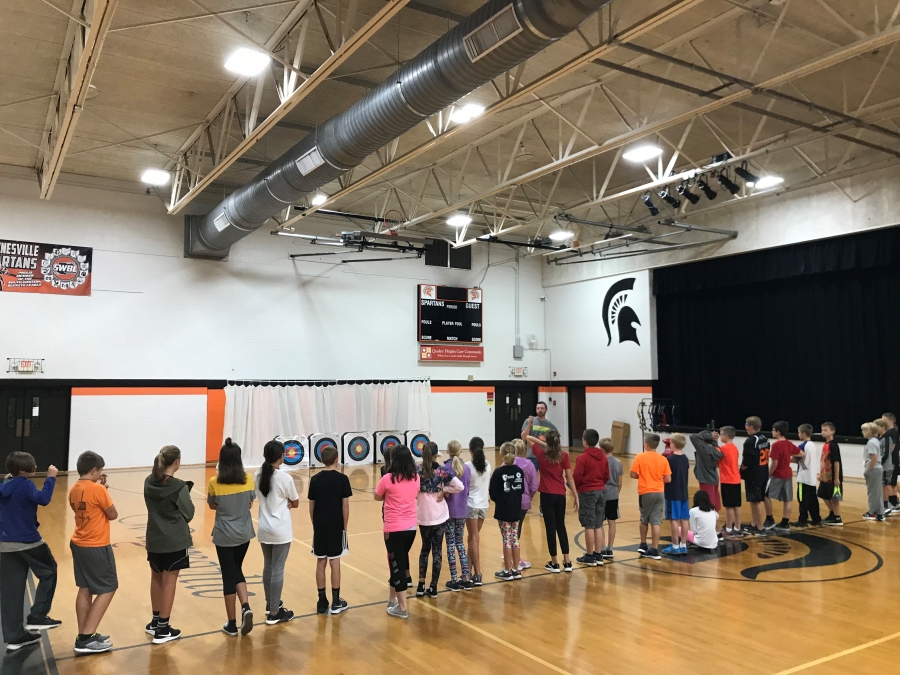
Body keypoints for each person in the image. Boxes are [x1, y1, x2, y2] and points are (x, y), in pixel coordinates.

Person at [0, 453, 60, 652]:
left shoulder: (4, 484)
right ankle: (38, 616)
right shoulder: (25, 484)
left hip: (4, 543)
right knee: (49, 570)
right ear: (27, 469)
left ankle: (14, 636)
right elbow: (43, 499)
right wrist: (51, 477)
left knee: (12, 590)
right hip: (27, 540)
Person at [68, 451, 118, 654]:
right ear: (94, 470)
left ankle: (84, 634)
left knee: (85, 588)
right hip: (96, 545)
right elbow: (112, 514)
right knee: (108, 587)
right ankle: (87, 637)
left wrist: (100, 488)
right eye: (100, 471)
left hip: (78, 542)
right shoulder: (98, 490)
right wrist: (103, 490)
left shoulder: (74, 488)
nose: (101, 474)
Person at [144, 445, 194, 644]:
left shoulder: (148, 482)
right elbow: (189, 513)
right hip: (174, 540)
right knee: (169, 581)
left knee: (156, 578)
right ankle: (163, 628)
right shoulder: (179, 486)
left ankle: (155, 621)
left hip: (154, 539)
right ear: (176, 462)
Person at [208, 438, 256, 636]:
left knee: (228, 575)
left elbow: (212, 505)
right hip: (244, 533)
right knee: (237, 569)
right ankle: (245, 606)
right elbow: (250, 502)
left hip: (224, 535)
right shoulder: (249, 479)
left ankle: (231, 623)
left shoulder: (214, 482)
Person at [256, 439, 299, 625]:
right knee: (277, 569)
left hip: (264, 527)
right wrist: (289, 502)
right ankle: (274, 612)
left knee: (268, 566)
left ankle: (270, 604)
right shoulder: (285, 478)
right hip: (280, 529)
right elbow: (295, 501)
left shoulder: (258, 475)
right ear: (280, 456)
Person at [375, 445, 419, 620]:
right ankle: (392, 600)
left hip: (393, 529)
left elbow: (377, 496)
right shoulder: (415, 477)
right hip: (410, 529)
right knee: (397, 563)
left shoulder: (387, 479)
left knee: (397, 566)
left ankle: (402, 608)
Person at [307, 443, 351, 615]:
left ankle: (321, 601)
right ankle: (335, 602)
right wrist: (344, 527)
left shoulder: (315, 479)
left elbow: (311, 506)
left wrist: (314, 524)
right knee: (334, 561)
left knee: (320, 561)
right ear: (337, 459)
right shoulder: (342, 479)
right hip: (336, 525)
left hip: (319, 525)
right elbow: (345, 506)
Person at [527, 430, 579, 572]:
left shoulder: (541, 454)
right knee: (561, 526)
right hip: (560, 494)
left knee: (550, 528)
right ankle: (567, 561)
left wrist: (545, 445)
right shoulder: (564, 456)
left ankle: (554, 563)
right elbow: (569, 477)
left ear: (546, 441)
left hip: (546, 494)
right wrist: (576, 495)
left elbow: (527, 437)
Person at [415, 442, 463, 598]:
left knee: (424, 550)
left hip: (423, 516)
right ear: (436, 456)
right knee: (437, 552)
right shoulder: (442, 471)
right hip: (439, 517)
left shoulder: (417, 470)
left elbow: (413, 488)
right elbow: (459, 486)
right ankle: (433, 587)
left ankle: (421, 585)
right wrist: (445, 489)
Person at [630, 433, 672, 560]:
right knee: (656, 521)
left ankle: (643, 544)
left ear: (646, 444)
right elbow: (668, 479)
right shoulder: (663, 459)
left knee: (644, 518)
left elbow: (633, 474)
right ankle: (654, 549)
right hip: (659, 492)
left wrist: (642, 475)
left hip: (645, 491)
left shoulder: (640, 457)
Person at [573, 428, 610, 566]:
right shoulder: (603, 457)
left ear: (585, 442)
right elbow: (606, 475)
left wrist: (576, 489)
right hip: (601, 490)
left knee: (589, 524)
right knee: (598, 524)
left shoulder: (582, 458)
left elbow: (577, 476)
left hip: (587, 492)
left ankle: (589, 555)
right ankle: (598, 554)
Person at [490, 443, 526, 581]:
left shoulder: (499, 472)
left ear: (501, 454)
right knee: (514, 538)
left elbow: (493, 493)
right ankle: (516, 570)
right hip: (516, 508)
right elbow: (522, 490)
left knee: (506, 538)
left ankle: (507, 570)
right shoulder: (519, 471)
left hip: (504, 510)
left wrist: (501, 498)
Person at [443, 440, 472, 591]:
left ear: (447, 451)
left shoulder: (445, 468)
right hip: (462, 510)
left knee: (450, 544)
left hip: (448, 512)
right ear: (461, 451)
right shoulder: (466, 468)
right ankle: (466, 577)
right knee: (460, 543)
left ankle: (454, 578)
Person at [465, 437, 491, 587]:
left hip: (471, 505)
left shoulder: (468, 466)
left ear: (470, 450)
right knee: (473, 538)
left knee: (473, 538)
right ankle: (467, 571)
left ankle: (478, 574)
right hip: (484, 506)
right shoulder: (487, 464)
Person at [740, 416, 770, 536]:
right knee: (754, 500)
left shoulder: (751, 441)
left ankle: (760, 527)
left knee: (756, 501)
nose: (745, 427)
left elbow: (747, 460)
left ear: (751, 426)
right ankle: (754, 524)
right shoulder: (765, 439)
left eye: (746, 425)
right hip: (763, 473)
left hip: (754, 475)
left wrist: (741, 468)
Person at [512, 438, 538, 571]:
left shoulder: (508, 464)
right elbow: (534, 485)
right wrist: (529, 496)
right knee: (518, 528)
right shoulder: (529, 464)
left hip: (510, 501)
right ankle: (516, 558)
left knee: (510, 529)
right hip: (523, 501)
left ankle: (511, 554)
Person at [764, 421, 795, 531]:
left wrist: (768, 474)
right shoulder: (789, 443)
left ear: (777, 432)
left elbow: (774, 463)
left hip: (778, 474)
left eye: (773, 430)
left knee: (765, 495)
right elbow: (801, 453)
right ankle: (785, 522)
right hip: (788, 473)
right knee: (788, 499)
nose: (772, 432)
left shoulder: (776, 445)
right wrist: (791, 459)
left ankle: (769, 518)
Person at [663, 434, 690, 556]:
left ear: (672, 444)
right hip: (684, 493)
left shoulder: (670, 460)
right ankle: (683, 545)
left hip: (672, 493)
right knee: (684, 519)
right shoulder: (685, 459)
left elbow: (667, 477)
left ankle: (675, 545)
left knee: (673, 519)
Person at [792, 424, 821, 527]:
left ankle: (802, 520)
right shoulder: (812, 445)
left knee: (802, 499)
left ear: (803, 434)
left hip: (803, 477)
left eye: (799, 433)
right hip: (811, 476)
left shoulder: (802, 446)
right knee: (813, 499)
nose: (798, 435)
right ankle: (816, 518)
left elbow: (795, 459)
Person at [718, 426, 743, 538]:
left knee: (729, 506)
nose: (719, 436)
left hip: (727, 480)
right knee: (736, 505)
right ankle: (737, 527)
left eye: (721, 434)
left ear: (726, 436)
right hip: (736, 479)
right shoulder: (734, 448)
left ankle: (728, 528)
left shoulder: (724, 448)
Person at [600, 438, 623, 560]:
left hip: (602, 493)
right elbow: (620, 482)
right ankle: (610, 548)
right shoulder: (618, 462)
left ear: (602, 449)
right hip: (613, 494)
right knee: (612, 522)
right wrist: (616, 492)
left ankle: (602, 547)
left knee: (600, 522)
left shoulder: (601, 461)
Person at [690, 430, 723, 512]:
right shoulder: (716, 449)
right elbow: (714, 444)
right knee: (714, 505)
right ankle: (716, 524)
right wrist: (713, 438)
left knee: (708, 505)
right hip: (714, 479)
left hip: (706, 480)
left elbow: (693, 437)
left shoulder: (703, 449)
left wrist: (709, 435)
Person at [818, 422, 844, 526]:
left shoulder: (833, 445)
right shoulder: (826, 445)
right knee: (822, 494)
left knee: (834, 497)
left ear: (832, 431)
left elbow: (836, 462)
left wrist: (836, 478)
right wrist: (821, 474)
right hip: (825, 476)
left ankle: (837, 517)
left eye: (826, 430)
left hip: (833, 476)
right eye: (822, 430)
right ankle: (832, 513)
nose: (823, 432)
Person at [521, 401, 558, 472]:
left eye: (542, 408)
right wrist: (529, 425)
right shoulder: (529, 421)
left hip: (546, 456)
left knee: (546, 478)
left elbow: (555, 441)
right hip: (532, 456)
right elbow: (523, 437)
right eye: (538, 408)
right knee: (531, 477)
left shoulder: (550, 425)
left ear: (546, 410)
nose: (540, 410)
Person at [861, 422, 885, 521]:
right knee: (877, 492)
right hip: (878, 468)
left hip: (874, 468)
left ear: (869, 431)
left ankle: (871, 512)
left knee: (872, 492)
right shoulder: (876, 441)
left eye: (864, 430)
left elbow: (874, 457)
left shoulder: (871, 442)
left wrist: (868, 469)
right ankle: (880, 512)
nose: (862, 432)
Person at [874, 418, 894, 515]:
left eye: (877, 426)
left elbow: (885, 453)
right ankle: (882, 504)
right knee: (881, 485)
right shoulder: (878, 438)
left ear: (883, 427)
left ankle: (886, 505)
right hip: (880, 465)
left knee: (885, 486)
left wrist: (878, 464)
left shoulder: (887, 438)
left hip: (886, 467)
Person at [883, 413, 899, 512]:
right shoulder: (895, 431)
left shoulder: (890, 433)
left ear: (890, 420)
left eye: (883, 419)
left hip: (891, 460)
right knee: (893, 482)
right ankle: (894, 502)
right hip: (895, 459)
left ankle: (890, 502)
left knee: (888, 482)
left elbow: (891, 447)